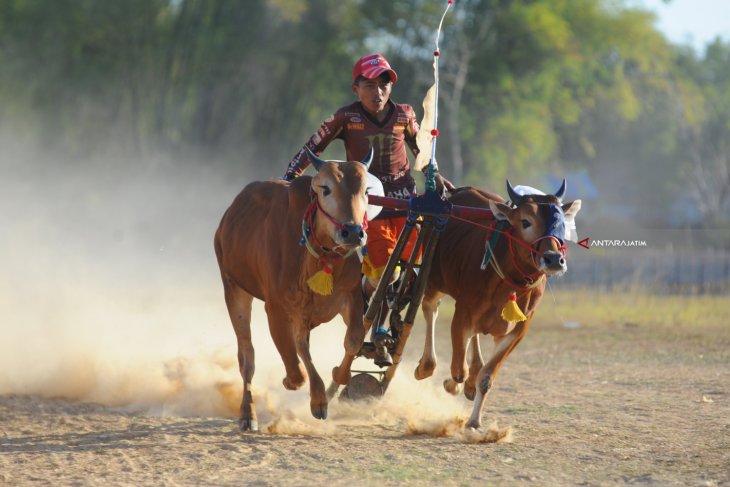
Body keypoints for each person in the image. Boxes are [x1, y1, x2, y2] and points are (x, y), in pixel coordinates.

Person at [283, 53, 453, 352]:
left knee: (417, 268)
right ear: (355, 88)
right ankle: (371, 318)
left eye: (384, 85)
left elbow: (422, 152)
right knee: (384, 265)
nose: (378, 92)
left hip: (405, 203)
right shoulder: (346, 118)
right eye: (370, 85)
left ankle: (384, 317)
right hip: (365, 206)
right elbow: (310, 149)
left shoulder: (404, 115)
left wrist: (436, 177)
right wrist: (287, 182)